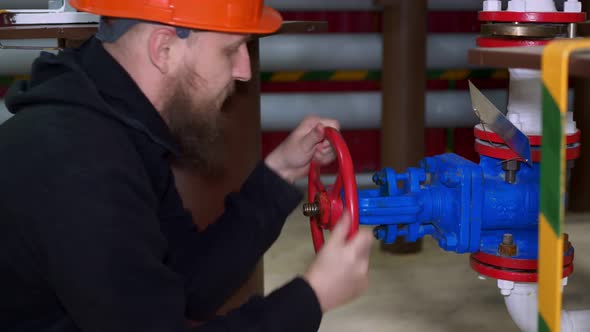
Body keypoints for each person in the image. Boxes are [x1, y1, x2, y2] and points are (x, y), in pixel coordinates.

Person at [0, 1, 374, 331]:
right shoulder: (83, 167)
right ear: (163, 48)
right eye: (232, 50)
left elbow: (190, 286)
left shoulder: (119, 128)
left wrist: (280, 172)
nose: (243, 70)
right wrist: (313, 296)